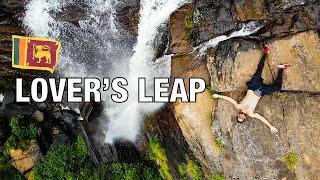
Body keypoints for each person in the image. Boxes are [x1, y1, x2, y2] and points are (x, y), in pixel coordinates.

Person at [213, 45, 290, 133]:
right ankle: (280, 69)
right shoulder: (251, 113)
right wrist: (271, 126)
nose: (241, 117)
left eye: (239, 117)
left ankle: (265, 53)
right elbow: (261, 118)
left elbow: (230, 99)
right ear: (245, 118)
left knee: (259, 70)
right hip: (261, 91)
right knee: (277, 87)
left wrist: (218, 95)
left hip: (253, 86)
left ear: (238, 115)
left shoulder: (239, 106)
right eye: (242, 119)